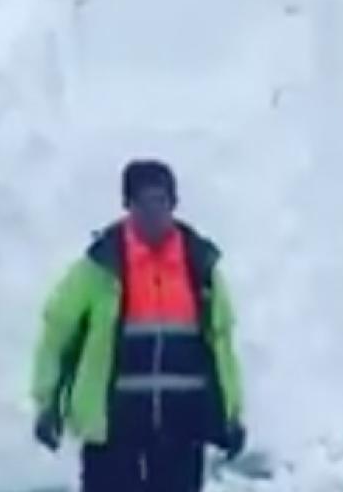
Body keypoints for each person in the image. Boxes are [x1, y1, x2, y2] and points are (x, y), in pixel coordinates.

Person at [30, 159, 247, 492]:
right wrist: (47, 403)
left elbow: (221, 343)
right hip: (113, 427)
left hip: (181, 427)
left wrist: (232, 414)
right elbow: (58, 331)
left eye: (161, 201)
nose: (153, 213)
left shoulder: (199, 266)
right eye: (142, 203)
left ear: (174, 203)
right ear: (127, 206)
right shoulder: (100, 267)